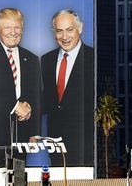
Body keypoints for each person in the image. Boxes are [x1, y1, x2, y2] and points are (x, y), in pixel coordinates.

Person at [0, 8, 41, 167]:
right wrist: (16, 106)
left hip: (21, 132)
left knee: (19, 176)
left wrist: (34, 132)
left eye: (17, 27)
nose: (13, 32)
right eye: (7, 28)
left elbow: (37, 96)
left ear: (22, 29)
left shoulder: (31, 59)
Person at [41, 9, 93, 166]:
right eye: (59, 31)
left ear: (80, 28)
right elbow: (48, 99)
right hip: (55, 142)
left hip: (85, 144)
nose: (64, 37)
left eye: (69, 30)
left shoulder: (93, 59)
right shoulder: (46, 60)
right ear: (53, 33)